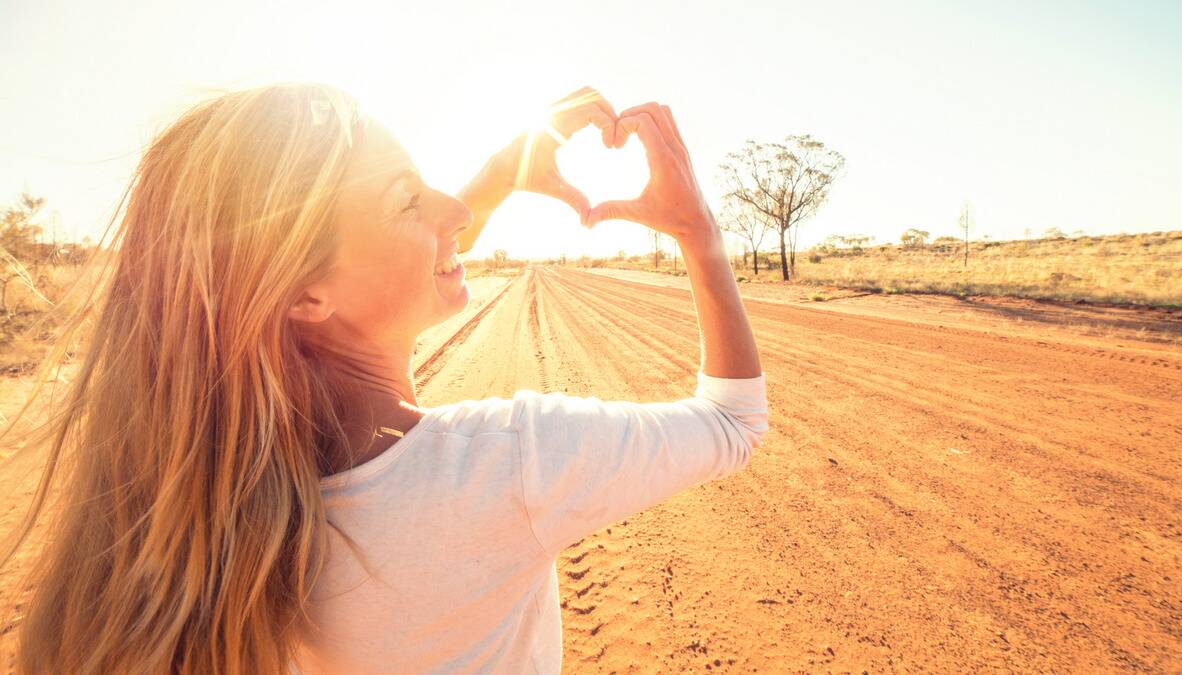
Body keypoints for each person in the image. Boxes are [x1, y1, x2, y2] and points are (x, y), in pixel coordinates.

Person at [0, 82, 767, 674]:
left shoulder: (223, 499)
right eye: (408, 197)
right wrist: (697, 230)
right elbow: (734, 422)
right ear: (304, 296)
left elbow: (369, 266)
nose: (453, 212)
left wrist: (499, 173)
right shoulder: (512, 462)